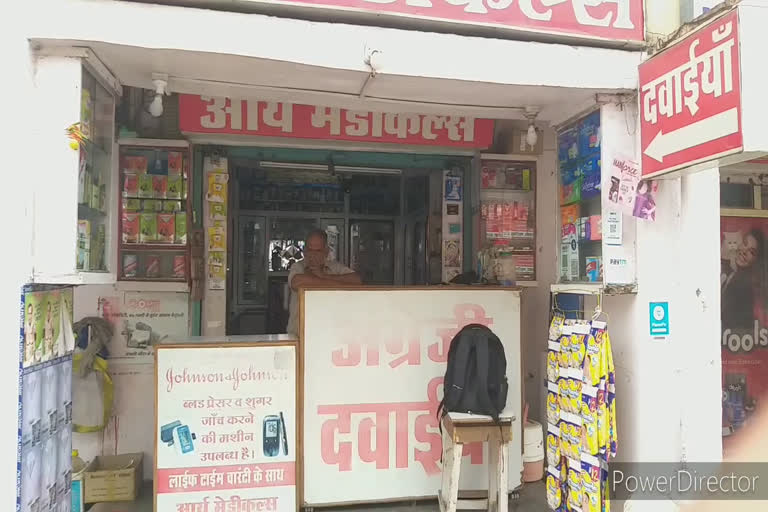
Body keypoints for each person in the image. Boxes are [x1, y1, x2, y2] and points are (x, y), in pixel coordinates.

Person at [286, 229, 361, 335]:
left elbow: (356, 281)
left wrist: (323, 276)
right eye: (310, 250)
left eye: (318, 251)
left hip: (328, 334)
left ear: (326, 251)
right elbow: (297, 283)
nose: (313, 255)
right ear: (304, 251)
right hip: (299, 334)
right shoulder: (298, 267)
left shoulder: (335, 267)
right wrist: (338, 284)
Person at [722, 228, 765, 332]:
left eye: (751, 252)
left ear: (755, 261)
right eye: (745, 243)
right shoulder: (729, 271)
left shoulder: (745, 288)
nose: (744, 252)